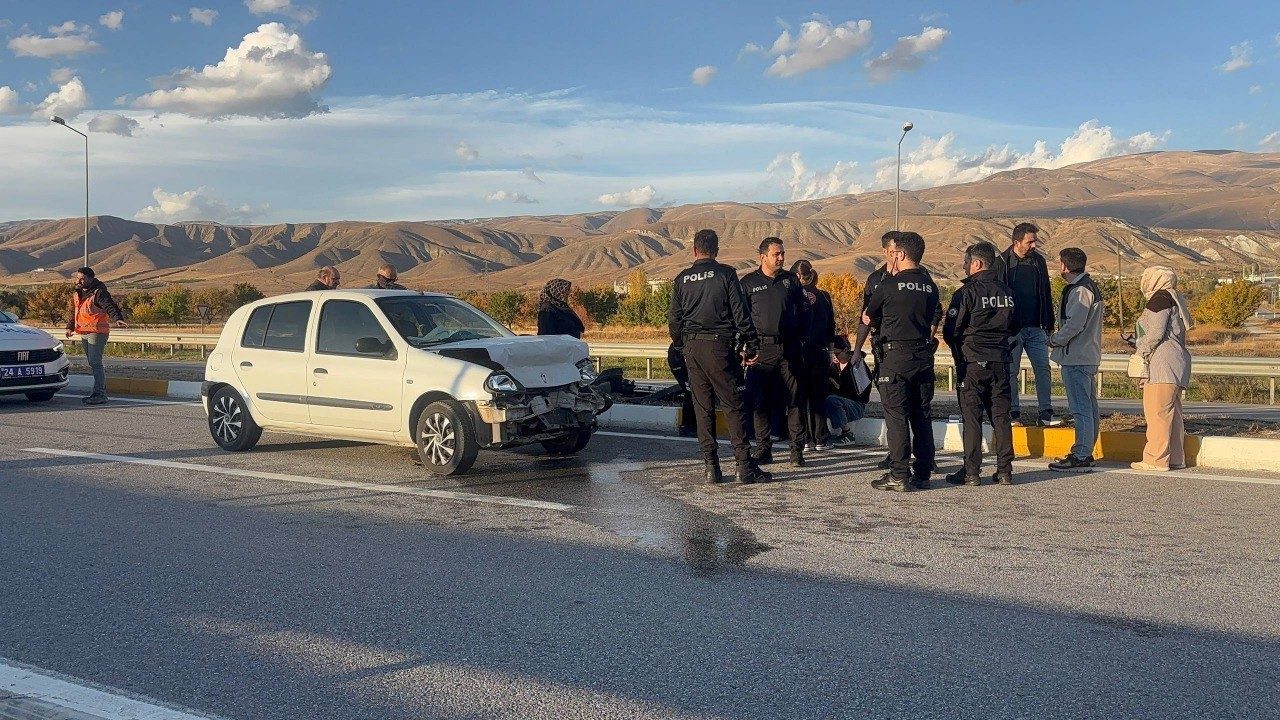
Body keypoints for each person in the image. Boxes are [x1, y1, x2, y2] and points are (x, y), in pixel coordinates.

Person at [668, 229, 772, 485]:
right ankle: (743, 466)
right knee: (733, 405)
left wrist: (682, 345)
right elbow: (740, 312)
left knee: (703, 408)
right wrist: (750, 344)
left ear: (694, 250)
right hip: (719, 347)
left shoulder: (682, 279)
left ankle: (711, 468)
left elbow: (674, 320)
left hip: (693, 349)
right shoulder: (725, 274)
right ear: (717, 249)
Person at [864, 231, 941, 492]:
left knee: (897, 416)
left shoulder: (887, 284)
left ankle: (898, 474)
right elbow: (932, 317)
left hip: (895, 357)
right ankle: (923, 473)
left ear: (902, 254)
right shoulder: (930, 286)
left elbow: (869, 315)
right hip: (922, 356)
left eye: (895, 253)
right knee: (922, 415)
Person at [942, 242, 1017, 486]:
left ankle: (971, 472)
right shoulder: (1006, 291)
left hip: (972, 362)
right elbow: (1014, 326)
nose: (964, 267)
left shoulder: (966, 293)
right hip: (1001, 361)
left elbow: (951, 330)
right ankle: (1005, 470)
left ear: (977, 263)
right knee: (1001, 416)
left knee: (972, 417)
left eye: (966, 262)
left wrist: (960, 351)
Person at [740, 237, 811, 467]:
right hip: (761, 349)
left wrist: (801, 339)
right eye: (776, 254)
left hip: (789, 348)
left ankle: (796, 451)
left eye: (782, 253)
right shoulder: (749, 283)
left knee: (795, 399)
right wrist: (745, 347)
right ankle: (764, 449)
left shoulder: (791, 281)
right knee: (760, 401)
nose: (781, 258)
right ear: (763, 257)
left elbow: (804, 311)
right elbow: (741, 317)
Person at [994, 223, 1061, 427]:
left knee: (1042, 368)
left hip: (1036, 327)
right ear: (1016, 242)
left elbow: (1046, 292)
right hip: (1012, 330)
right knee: (1011, 371)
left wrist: (1048, 322)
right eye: (1030, 241)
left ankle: (1045, 412)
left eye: (1035, 241)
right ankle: (1013, 413)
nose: (1034, 245)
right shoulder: (1002, 263)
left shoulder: (1038, 261)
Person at [1131, 266, 1193, 472]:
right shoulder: (1174, 298)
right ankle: (1176, 458)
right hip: (1176, 364)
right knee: (1172, 414)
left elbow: (1156, 333)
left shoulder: (1159, 299)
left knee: (1157, 413)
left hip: (1161, 364)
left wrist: (1141, 352)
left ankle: (1155, 459)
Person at [1048, 248, 1104, 473]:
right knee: (1089, 407)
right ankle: (1085, 451)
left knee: (1081, 408)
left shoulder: (1080, 290)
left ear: (1064, 266)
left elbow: (1074, 324)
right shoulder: (1088, 286)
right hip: (1087, 354)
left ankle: (1081, 454)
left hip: (1077, 356)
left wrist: (1054, 339)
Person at [791, 259, 836, 451]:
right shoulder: (824, 296)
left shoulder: (792, 295)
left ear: (798, 276)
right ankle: (821, 438)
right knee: (818, 396)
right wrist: (831, 351)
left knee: (800, 396)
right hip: (820, 352)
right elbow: (830, 326)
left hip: (799, 351)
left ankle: (805, 439)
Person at [65, 267, 126, 405]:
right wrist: (70, 327)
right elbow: (75, 312)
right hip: (84, 332)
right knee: (93, 363)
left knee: (95, 362)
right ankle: (98, 392)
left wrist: (117, 318)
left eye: (82, 278)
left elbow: (109, 306)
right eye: (77, 278)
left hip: (97, 332)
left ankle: (100, 394)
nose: (79, 281)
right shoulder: (78, 293)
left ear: (91, 279)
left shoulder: (99, 292)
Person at [823, 335, 871, 448]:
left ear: (845, 350)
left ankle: (847, 433)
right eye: (831, 354)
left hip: (856, 403)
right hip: (840, 401)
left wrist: (837, 386)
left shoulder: (857, 366)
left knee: (832, 400)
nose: (834, 357)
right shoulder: (833, 366)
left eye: (836, 353)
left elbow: (861, 392)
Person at [667, 343, 698, 437]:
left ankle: (693, 426)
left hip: (687, 361)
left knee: (694, 392)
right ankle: (687, 426)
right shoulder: (683, 336)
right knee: (691, 391)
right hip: (678, 361)